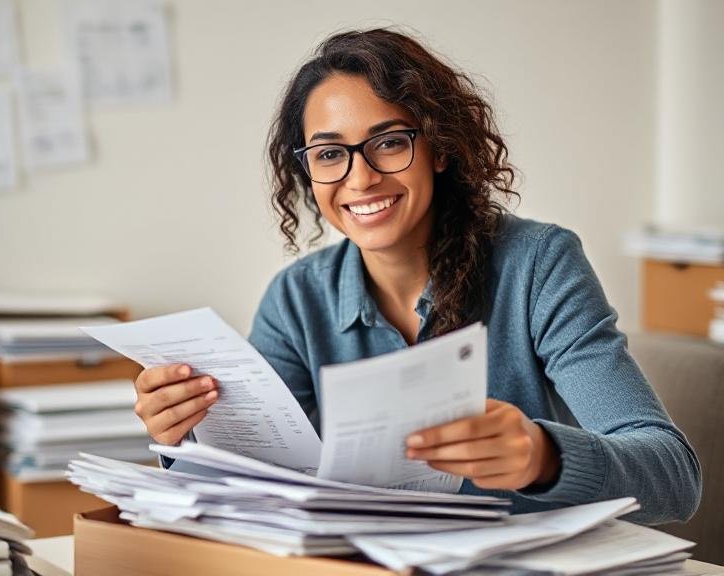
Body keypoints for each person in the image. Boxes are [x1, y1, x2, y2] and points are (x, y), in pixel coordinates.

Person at [132, 29, 701, 525]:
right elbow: (258, 485)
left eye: (388, 142)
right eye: (330, 154)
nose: (360, 178)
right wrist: (184, 437)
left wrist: (543, 455)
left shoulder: (538, 263)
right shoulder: (296, 298)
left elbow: (674, 476)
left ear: (440, 148)